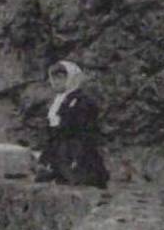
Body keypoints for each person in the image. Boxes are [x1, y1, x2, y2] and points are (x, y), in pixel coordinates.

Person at [35, 60, 109, 188]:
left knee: (77, 181)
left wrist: (77, 156)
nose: (56, 82)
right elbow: (52, 133)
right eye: (54, 78)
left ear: (71, 78)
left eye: (61, 77)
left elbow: (85, 131)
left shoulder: (82, 100)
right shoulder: (57, 101)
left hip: (77, 150)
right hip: (59, 150)